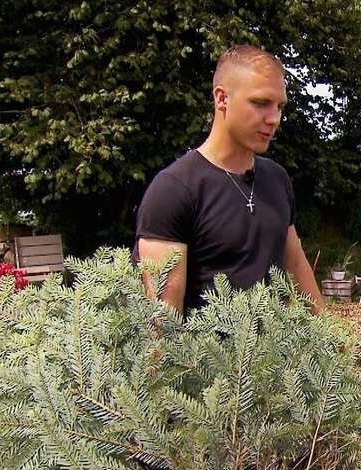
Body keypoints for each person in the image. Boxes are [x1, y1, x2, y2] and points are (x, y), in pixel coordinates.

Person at [135, 45, 324, 315]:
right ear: (222, 98)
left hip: (273, 356)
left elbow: (294, 265)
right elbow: (163, 324)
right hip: (204, 357)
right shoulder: (174, 189)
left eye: (279, 106)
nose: (274, 119)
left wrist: (336, 346)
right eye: (260, 103)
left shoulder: (276, 179)